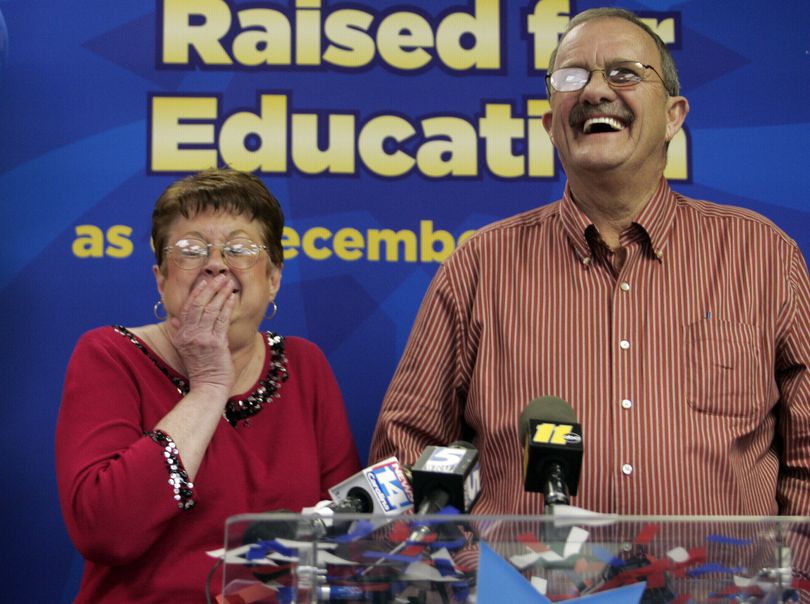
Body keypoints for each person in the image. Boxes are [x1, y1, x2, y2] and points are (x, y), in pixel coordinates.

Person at [371, 8, 809, 519]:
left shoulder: (761, 255)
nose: (596, 92)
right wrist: (477, 576)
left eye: (624, 73)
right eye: (573, 76)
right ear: (551, 124)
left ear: (674, 116)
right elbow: (405, 457)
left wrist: (788, 579)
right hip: (525, 594)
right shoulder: (478, 267)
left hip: (720, 591)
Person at [56, 169, 361, 602]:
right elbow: (105, 532)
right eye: (191, 250)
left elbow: (344, 540)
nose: (216, 263)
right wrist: (209, 385)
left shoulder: (304, 365)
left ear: (273, 277)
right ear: (161, 278)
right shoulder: (109, 355)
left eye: (238, 248)